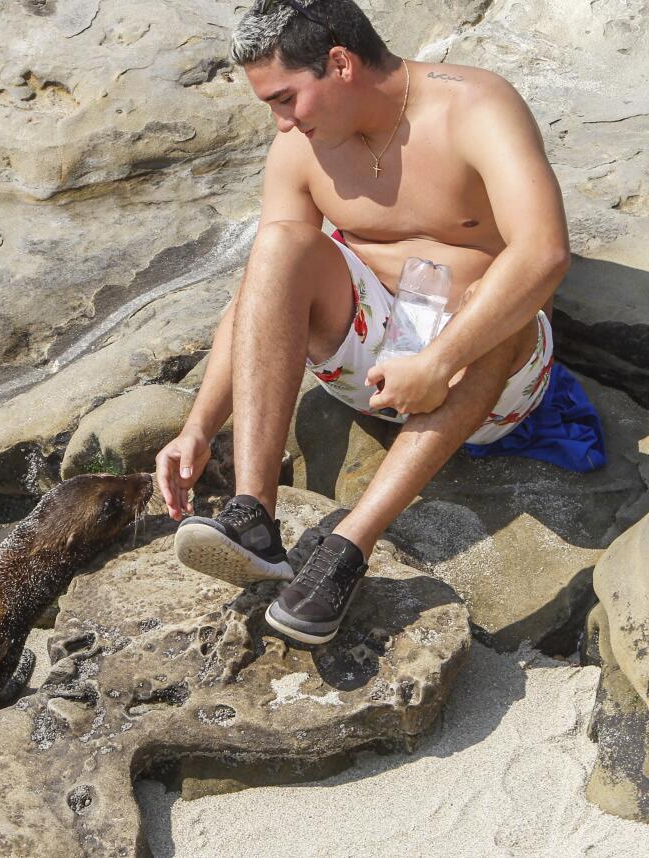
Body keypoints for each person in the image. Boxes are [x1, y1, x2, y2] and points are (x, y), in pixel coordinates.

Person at [155, 0, 570, 645]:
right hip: (367, 370)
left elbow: (544, 252)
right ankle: (252, 516)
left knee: (508, 293)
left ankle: (348, 548)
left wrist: (436, 361)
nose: (281, 121)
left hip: (481, 379)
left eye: (287, 98)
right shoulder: (300, 149)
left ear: (341, 64)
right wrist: (199, 426)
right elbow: (259, 298)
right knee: (278, 246)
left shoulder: (476, 108)